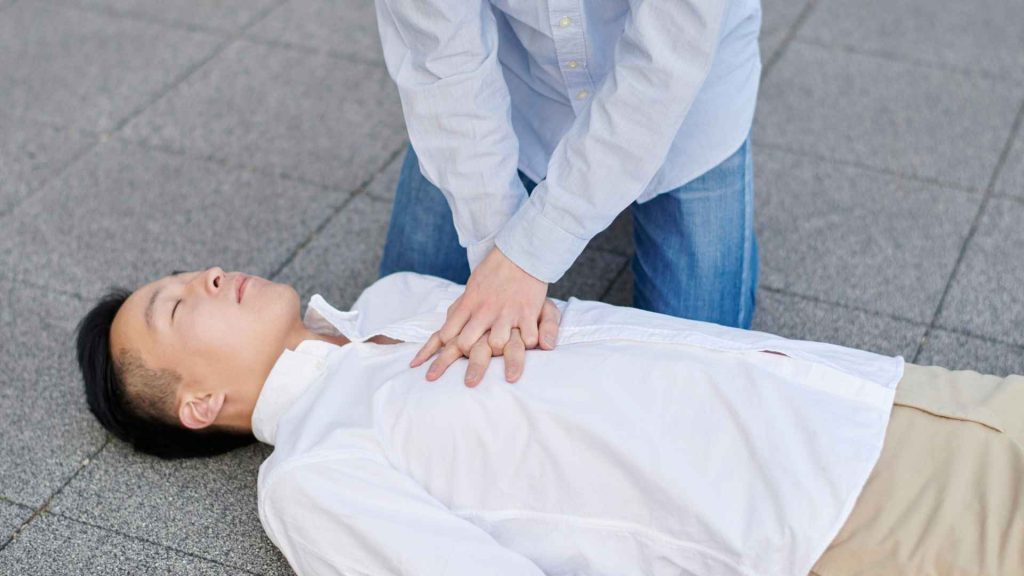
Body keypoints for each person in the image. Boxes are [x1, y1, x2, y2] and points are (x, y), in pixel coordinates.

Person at [76, 267, 1024, 575]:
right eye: (174, 306)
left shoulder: (400, 294)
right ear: (198, 406)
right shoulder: (314, 475)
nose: (203, 278)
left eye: (187, 272)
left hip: (870, 390)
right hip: (838, 516)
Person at [374, 0, 763, 384]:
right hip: (521, 85)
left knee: (700, 377)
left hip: (684, 102)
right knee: (398, 330)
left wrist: (530, 253)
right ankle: (584, 194)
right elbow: (441, 60)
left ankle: (605, 199)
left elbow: (663, 68)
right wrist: (498, 254)